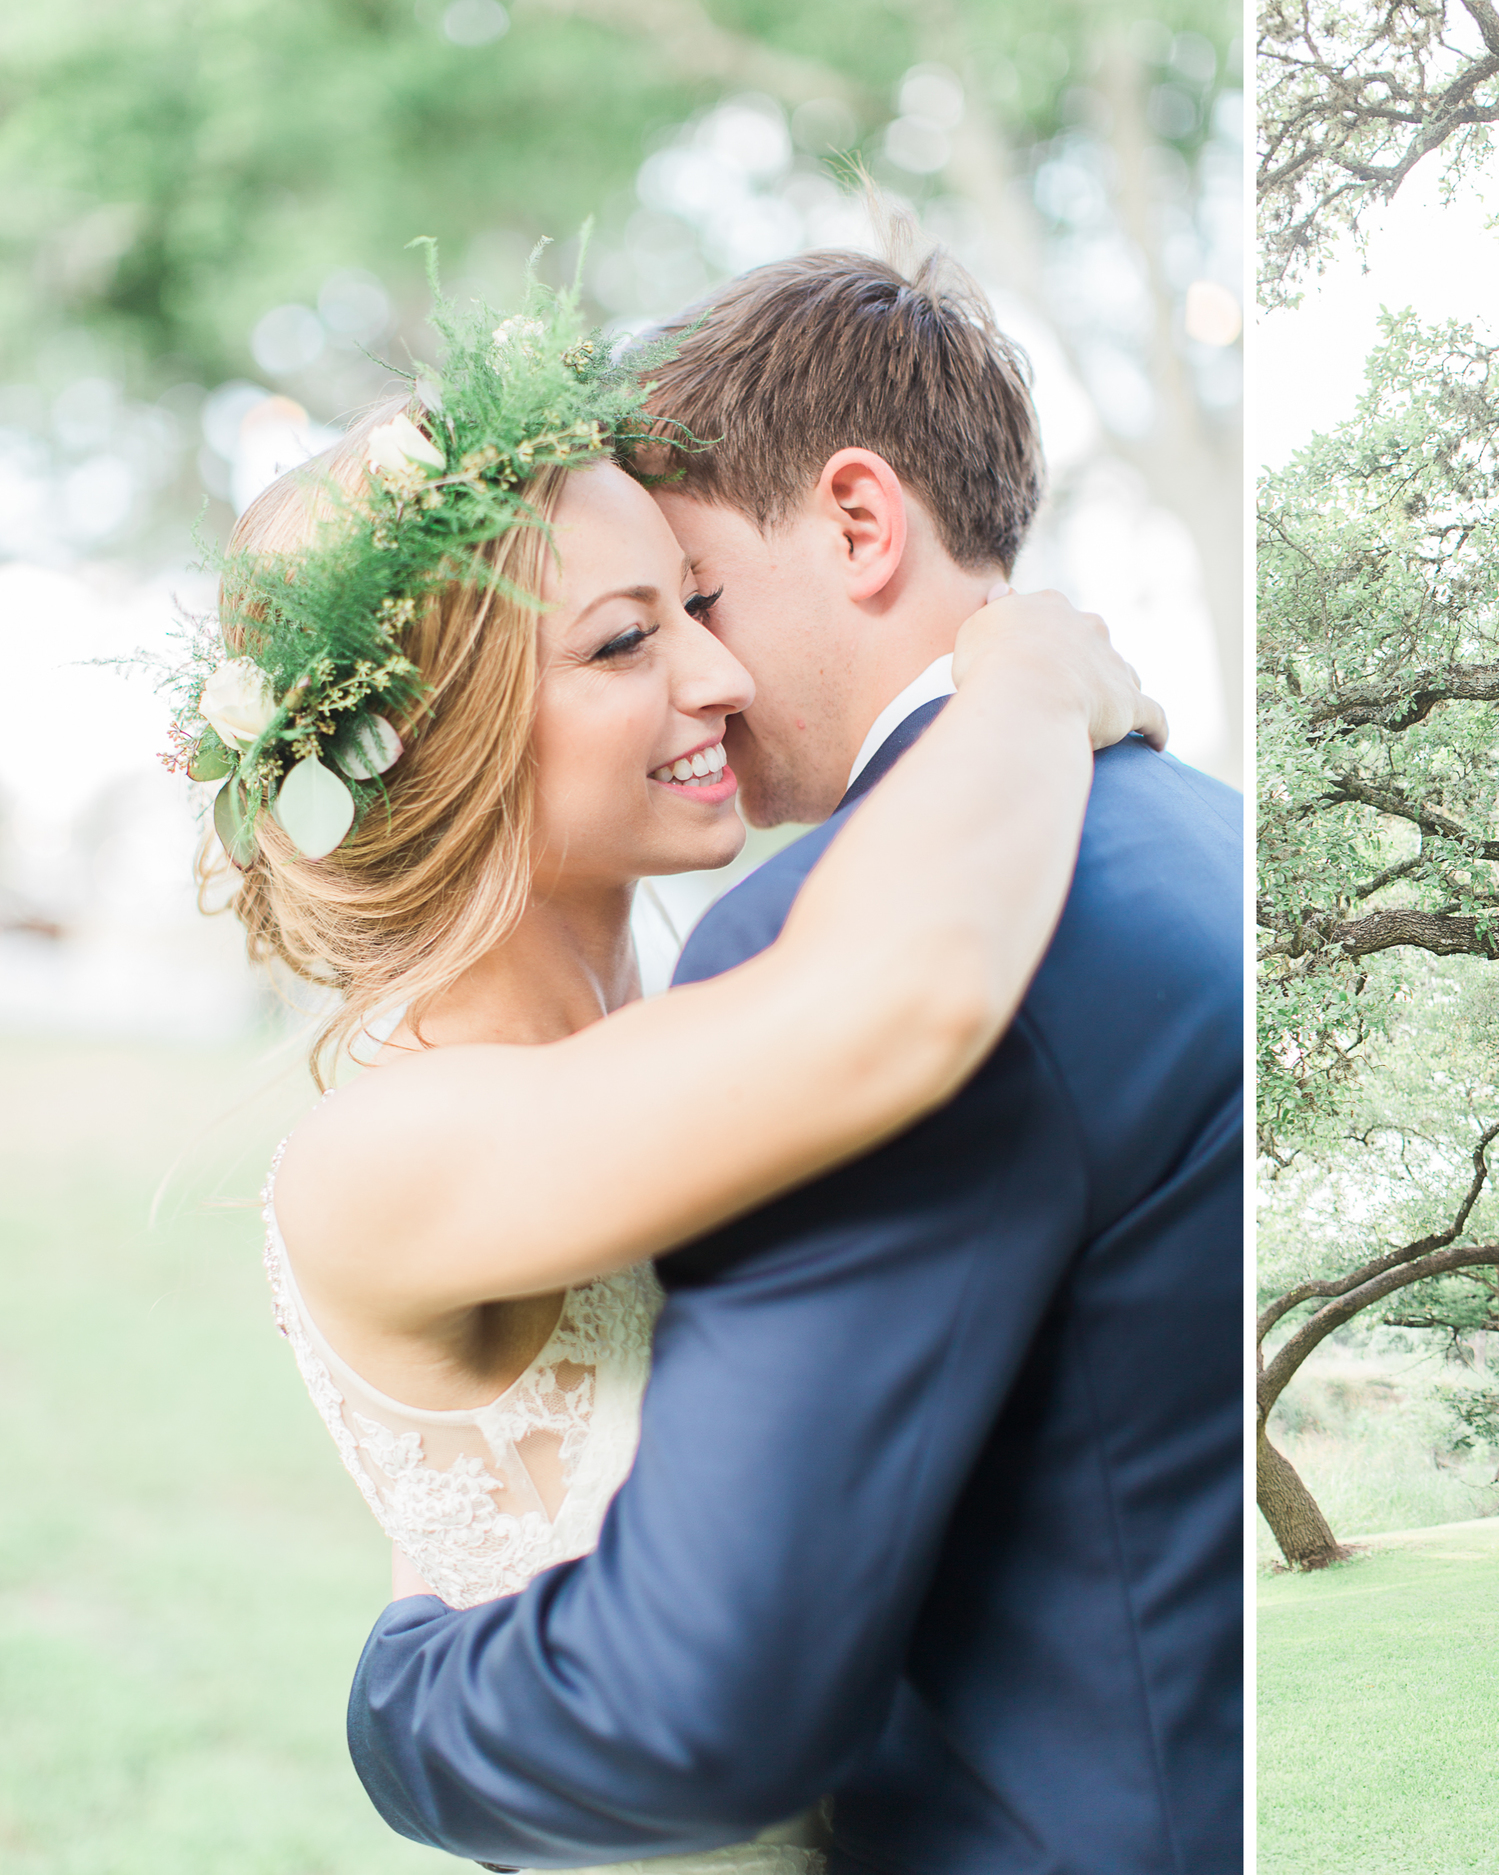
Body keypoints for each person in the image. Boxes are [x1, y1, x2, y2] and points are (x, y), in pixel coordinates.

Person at [198, 280, 1170, 1874]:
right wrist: (1032, 683)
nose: (717, 683)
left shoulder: (687, 989)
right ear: (455, 733)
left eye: (697, 610)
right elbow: (898, 1005)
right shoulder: (385, 1152)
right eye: (627, 642)